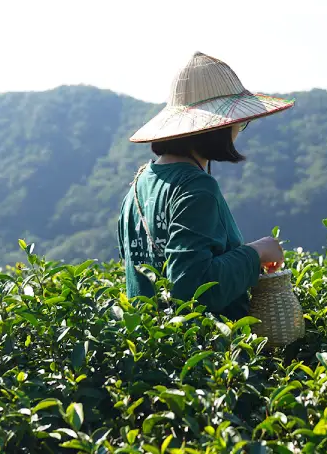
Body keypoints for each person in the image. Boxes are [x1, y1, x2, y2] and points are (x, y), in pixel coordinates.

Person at [117, 52, 295, 320]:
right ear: (217, 128)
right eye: (238, 123)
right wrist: (257, 252)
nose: (238, 130)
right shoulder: (196, 187)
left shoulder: (138, 184)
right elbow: (193, 289)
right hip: (204, 351)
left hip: (150, 347)